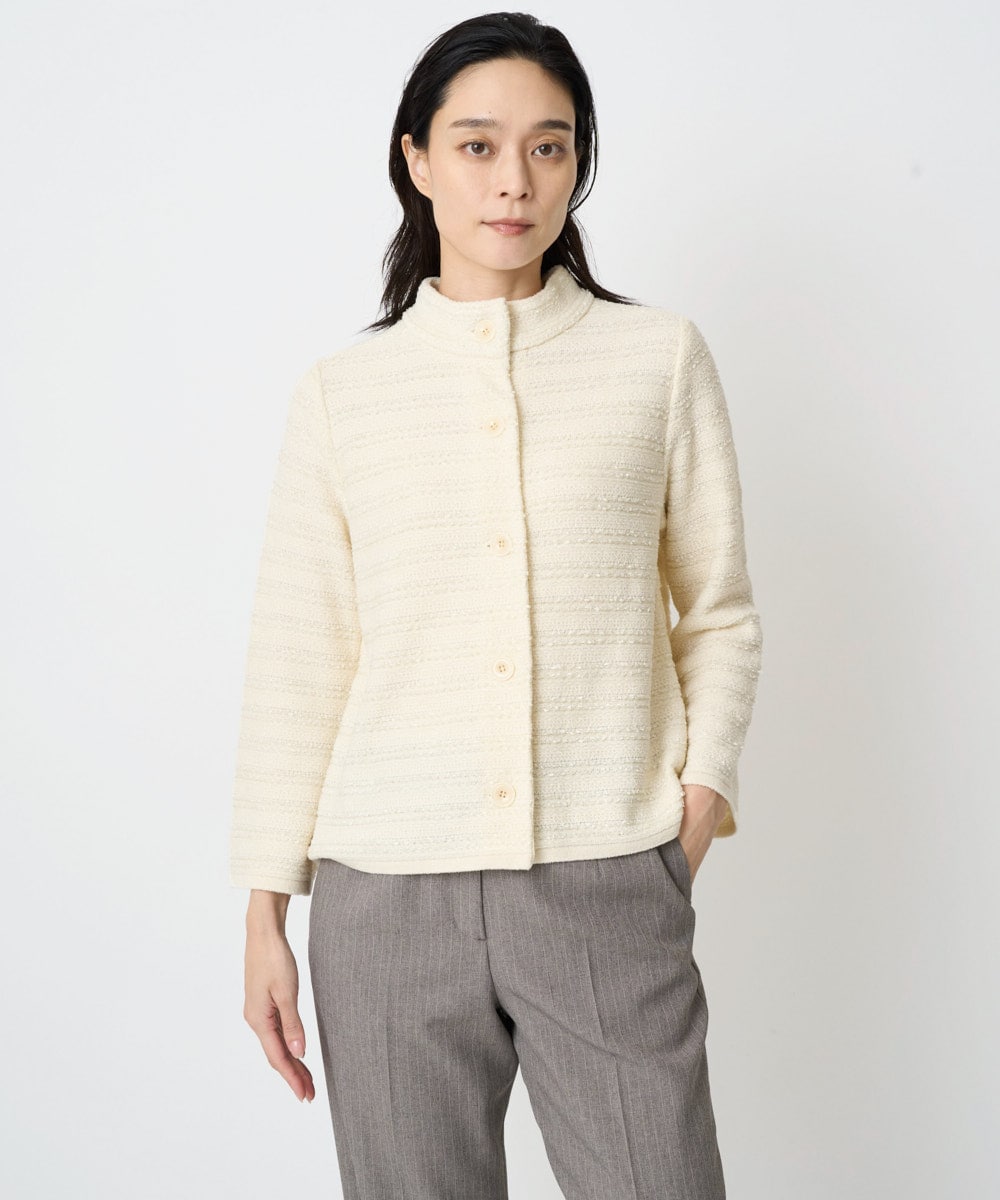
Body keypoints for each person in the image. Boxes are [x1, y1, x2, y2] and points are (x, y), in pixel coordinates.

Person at [229, 11, 763, 1199]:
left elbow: (718, 611)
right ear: (416, 160)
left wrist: (691, 809)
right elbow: (301, 654)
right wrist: (265, 912)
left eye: (547, 146)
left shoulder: (657, 359)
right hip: (384, 900)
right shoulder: (345, 394)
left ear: (577, 164)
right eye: (476, 145)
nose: (513, 181)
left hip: (607, 873)